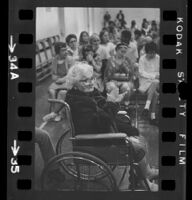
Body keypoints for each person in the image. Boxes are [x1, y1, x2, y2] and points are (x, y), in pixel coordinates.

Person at [44, 62, 158, 191]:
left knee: (134, 131)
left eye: (91, 78)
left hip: (100, 128)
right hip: (94, 138)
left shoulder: (88, 92)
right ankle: (144, 181)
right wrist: (113, 104)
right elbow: (100, 122)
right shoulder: (78, 101)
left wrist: (113, 102)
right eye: (84, 80)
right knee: (136, 145)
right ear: (74, 83)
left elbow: (103, 108)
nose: (90, 82)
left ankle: (146, 172)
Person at [48, 42, 74, 121]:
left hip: (68, 81)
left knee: (61, 92)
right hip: (59, 80)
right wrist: (57, 79)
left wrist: (61, 79)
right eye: (63, 50)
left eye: (66, 49)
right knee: (51, 91)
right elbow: (53, 75)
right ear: (58, 52)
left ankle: (59, 112)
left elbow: (70, 74)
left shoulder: (70, 59)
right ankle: (53, 111)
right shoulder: (55, 60)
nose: (66, 52)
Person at [104, 43, 136, 107]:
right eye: (121, 50)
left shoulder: (128, 60)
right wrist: (123, 75)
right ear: (116, 50)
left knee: (126, 87)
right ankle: (113, 105)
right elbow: (109, 75)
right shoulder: (110, 59)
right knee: (112, 87)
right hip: (112, 81)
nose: (123, 51)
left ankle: (126, 105)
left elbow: (130, 74)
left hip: (126, 82)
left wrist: (117, 74)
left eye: (125, 50)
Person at [138, 42, 159, 124]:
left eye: (153, 52)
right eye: (150, 53)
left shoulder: (158, 58)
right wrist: (153, 76)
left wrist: (152, 76)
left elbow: (160, 72)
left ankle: (146, 107)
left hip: (156, 83)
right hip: (144, 82)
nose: (152, 54)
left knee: (156, 82)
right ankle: (152, 117)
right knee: (156, 94)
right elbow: (141, 73)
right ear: (147, 52)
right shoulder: (142, 59)